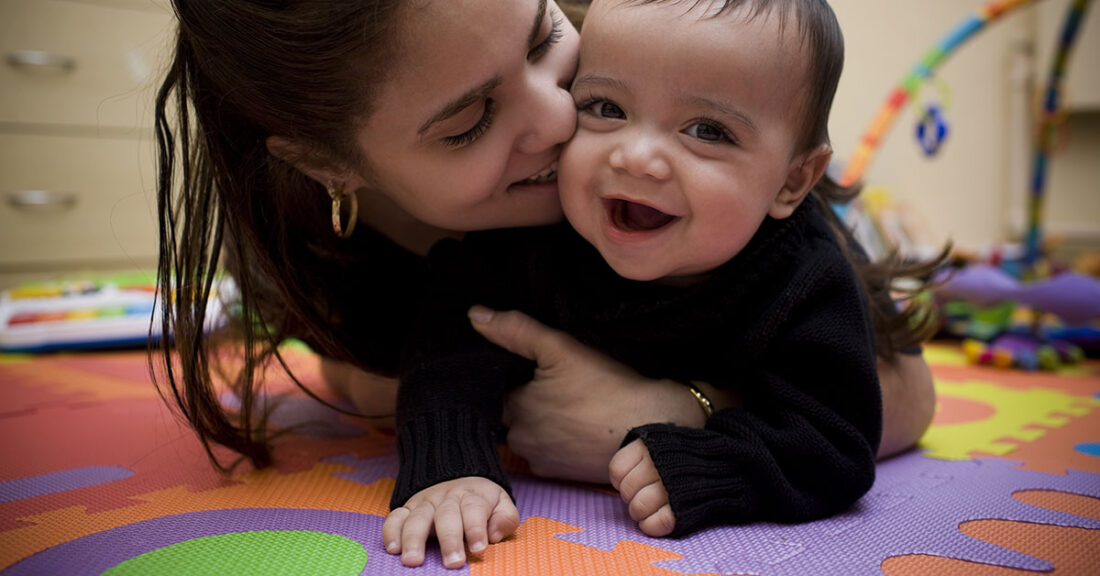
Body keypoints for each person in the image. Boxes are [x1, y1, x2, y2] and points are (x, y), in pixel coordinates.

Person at [150, 0, 939, 570]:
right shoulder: (325, 247)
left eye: (543, 44)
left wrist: (676, 414)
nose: (564, 120)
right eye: (467, 123)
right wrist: (441, 441)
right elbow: (394, 364)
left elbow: (888, 393)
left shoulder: (750, 210)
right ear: (332, 166)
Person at [382, 0, 947, 567]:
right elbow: (450, 340)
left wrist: (706, 457)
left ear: (793, 179)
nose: (636, 157)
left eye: (707, 131)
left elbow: (835, 441)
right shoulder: (536, 233)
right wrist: (451, 469)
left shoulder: (804, 282)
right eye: (605, 107)